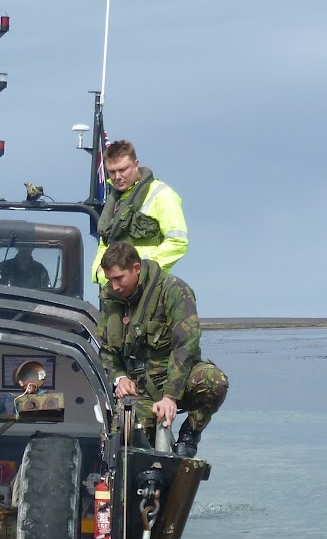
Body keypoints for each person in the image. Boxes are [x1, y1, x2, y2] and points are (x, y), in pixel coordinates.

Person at [97, 240, 227, 458]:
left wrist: (170, 396)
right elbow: (107, 351)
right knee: (126, 441)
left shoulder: (174, 291)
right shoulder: (112, 301)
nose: (115, 286)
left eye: (119, 278)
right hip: (138, 388)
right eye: (111, 280)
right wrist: (119, 378)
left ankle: (190, 435)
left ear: (136, 269)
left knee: (214, 381)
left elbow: (186, 346)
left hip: (176, 379)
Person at [90, 140, 188, 283]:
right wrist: (99, 273)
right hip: (114, 290)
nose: (117, 177)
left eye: (123, 170)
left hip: (150, 287)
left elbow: (178, 242)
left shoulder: (163, 195)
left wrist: (139, 271)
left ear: (136, 164)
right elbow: (105, 243)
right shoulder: (114, 200)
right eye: (112, 171)